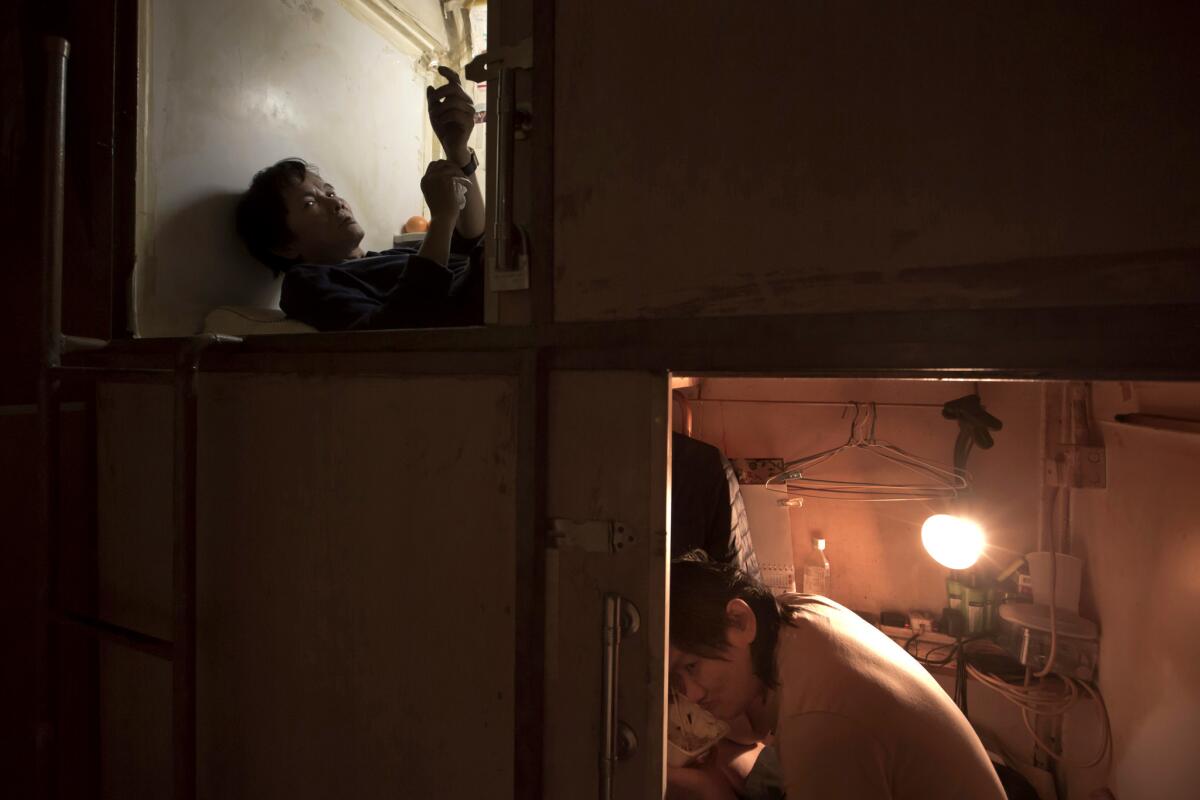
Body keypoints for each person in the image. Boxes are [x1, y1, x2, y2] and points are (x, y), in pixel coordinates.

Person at [669, 552, 1007, 800]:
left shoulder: (820, 722)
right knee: (733, 764)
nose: (693, 694)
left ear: (740, 621)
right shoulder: (795, 611)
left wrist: (709, 792)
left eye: (692, 666)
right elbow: (759, 725)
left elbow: (812, 725)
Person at [234, 66, 483, 331]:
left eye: (329, 192)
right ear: (284, 247)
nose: (335, 202)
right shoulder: (308, 282)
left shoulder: (395, 255)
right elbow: (393, 332)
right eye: (310, 203)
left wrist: (456, 149)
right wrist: (443, 218)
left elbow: (472, 236)